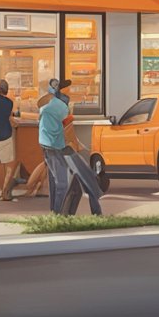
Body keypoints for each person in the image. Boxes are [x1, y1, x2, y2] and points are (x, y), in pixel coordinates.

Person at [53, 79, 104, 216]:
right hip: (67, 149)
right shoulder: (63, 104)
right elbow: (67, 130)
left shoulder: (56, 105)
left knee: (77, 183)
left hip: (63, 148)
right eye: (68, 87)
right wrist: (76, 145)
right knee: (86, 180)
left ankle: (66, 215)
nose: (70, 89)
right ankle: (95, 213)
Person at [37, 78, 73, 214]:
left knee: (53, 180)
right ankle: (58, 213)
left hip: (45, 144)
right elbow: (67, 123)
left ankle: (53, 210)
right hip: (56, 145)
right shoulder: (62, 106)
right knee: (63, 183)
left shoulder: (45, 106)